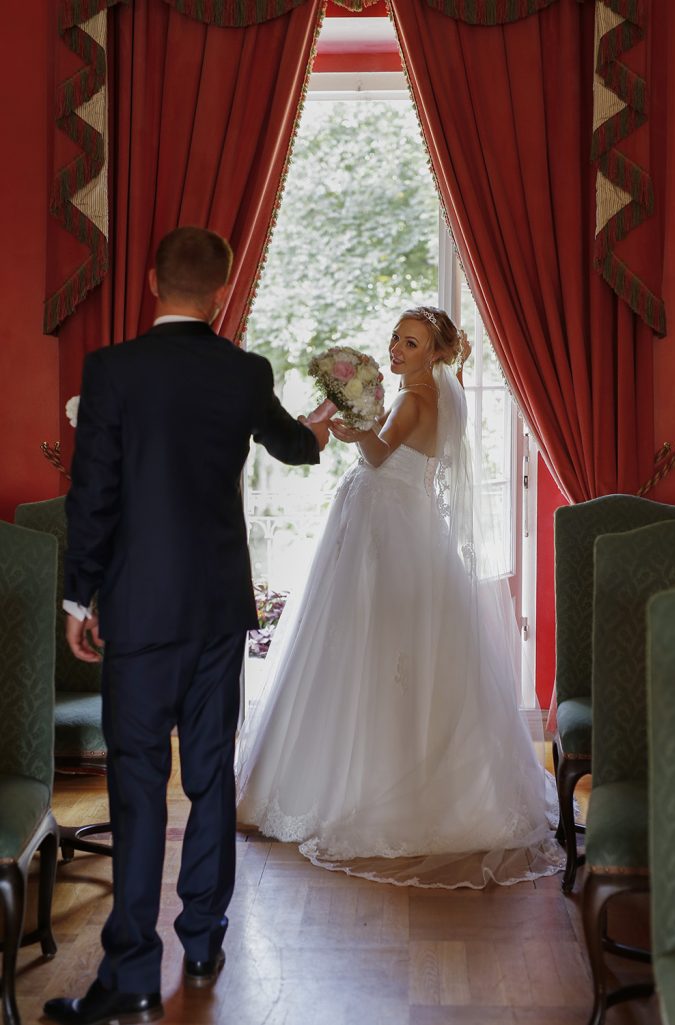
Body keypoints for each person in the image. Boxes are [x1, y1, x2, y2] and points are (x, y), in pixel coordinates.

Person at [44, 227, 329, 1025]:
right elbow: (295, 447)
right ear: (222, 289)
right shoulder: (244, 371)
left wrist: (78, 599)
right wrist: (321, 424)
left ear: (148, 280)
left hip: (139, 606)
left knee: (137, 786)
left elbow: (93, 491)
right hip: (215, 608)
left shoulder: (114, 370)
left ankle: (132, 973)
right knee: (210, 775)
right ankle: (203, 938)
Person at [236, 306, 563, 890]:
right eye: (395, 338)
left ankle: (357, 789)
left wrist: (354, 430)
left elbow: (381, 456)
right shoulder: (426, 396)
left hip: (388, 533)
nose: (396, 349)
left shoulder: (418, 400)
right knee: (384, 647)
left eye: (410, 343)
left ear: (435, 353)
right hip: (396, 526)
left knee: (373, 646)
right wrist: (358, 420)